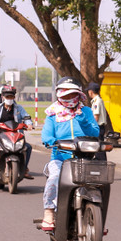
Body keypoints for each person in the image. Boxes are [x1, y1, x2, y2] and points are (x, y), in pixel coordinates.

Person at [40, 78, 100, 231]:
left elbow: (95, 132)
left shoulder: (85, 111)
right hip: (60, 159)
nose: (68, 98)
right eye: (65, 94)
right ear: (59, 94)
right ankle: (49, 212)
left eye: (72, 94)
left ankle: (97, 218)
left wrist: (82, 120)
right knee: (54, 178)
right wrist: (51, 141)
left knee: (99, 184)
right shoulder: (52, 114)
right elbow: (46, 135)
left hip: (85, 158)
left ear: (78, 95)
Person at [0, 85, 34, 180]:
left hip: (15, 135)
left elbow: (26, 117)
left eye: (11, 97)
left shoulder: (19, 108)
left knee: (28, 147)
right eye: (7, 97)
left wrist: (29, 124)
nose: (9, 99)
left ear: (14, 97)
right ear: (2, 97)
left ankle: (24, 169)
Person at [87, 82, 111, 161]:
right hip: (100, 126)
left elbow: (96, 116)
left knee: (99, 145)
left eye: (88, 91)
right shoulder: (97, 100)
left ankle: (101, 162)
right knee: (99, 145)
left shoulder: (97, 101)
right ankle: (100, 161)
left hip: (98, 126)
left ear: (91, 91)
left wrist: (90, 126)